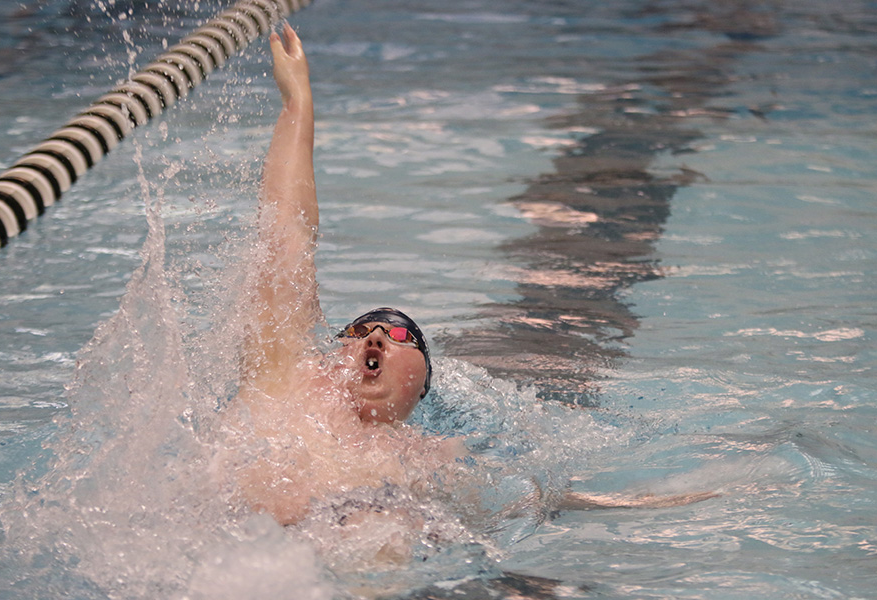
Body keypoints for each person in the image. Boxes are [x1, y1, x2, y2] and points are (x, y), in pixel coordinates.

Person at [225, 24, 715, 535]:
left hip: (359, 552)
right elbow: (285, 238)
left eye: (401, 336)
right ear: (329, 355)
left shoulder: (433, 458)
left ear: (421, 392)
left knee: (383, 522)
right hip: (246, 553)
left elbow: (528, 502)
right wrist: (296, 107)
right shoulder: (280, 382)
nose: (375, 336)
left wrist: (643, 504)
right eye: (360, 332)